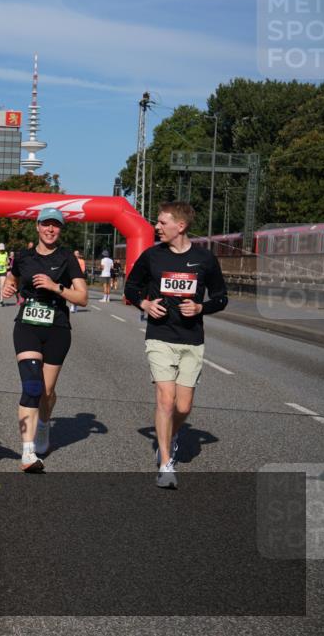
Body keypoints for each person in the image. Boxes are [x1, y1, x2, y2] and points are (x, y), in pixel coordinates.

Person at [123, 201, 227, 489]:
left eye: (162, 222)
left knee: (183, 406)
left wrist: (201, 308)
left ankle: (171, 433)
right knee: (165, 400)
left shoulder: (205, 259)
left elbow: (221, 297)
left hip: (192, 340)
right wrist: (144, 303)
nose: (156, 227)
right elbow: (131, 287)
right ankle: (166, 461)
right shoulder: (152, 256)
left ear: (180, 226)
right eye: (157, 222)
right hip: (160, 336)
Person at [1, 208, 88, 472]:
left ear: (61, 230)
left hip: (57, 328)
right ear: (37, 227)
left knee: (46, 393)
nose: (51, 230)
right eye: (46, 225)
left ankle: (43, 424)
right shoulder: (23, 256)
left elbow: (82, 297)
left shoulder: (67, 258)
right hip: (27, 324)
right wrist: (8, 286)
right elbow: (13, 277)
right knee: (32, 386)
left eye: (56, 226)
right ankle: (27, 453)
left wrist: (55, 287)